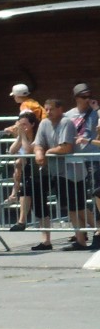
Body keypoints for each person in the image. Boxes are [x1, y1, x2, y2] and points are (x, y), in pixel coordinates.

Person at [32, 98, 89, 252]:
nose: (48, 112)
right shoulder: (44, 123)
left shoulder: (66, 122)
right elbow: (38, 143)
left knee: (76, 207)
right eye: (46, 109)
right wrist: (39, 153)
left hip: (73, 172)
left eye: (51, 109)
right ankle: (81, 238)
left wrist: (48, 152)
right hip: (57, 171)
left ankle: (84, 238)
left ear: (60, 109)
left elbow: (66, 147)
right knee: (72, 207)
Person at [64, 82, 100, 249]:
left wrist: (97, 109)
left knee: (96, 194)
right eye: (84, 96)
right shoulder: (69, 115)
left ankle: (97, 232)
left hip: (93, 158)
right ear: (76, 97)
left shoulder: (95, 113)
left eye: (89, 96)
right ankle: (81, 235)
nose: (87, 99)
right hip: (75, 159)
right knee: (76, 198)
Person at [3, 110, 38, 232]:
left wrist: (22, 134)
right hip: (26, 170)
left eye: (25, 125)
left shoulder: (37, 136)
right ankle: (21, 221)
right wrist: (19, 135)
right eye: (21, 124)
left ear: (32, 124)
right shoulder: (22, 136)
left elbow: (28, 151)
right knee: (25, 192)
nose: (23, 127)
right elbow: (12, 150)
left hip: (39, 170)